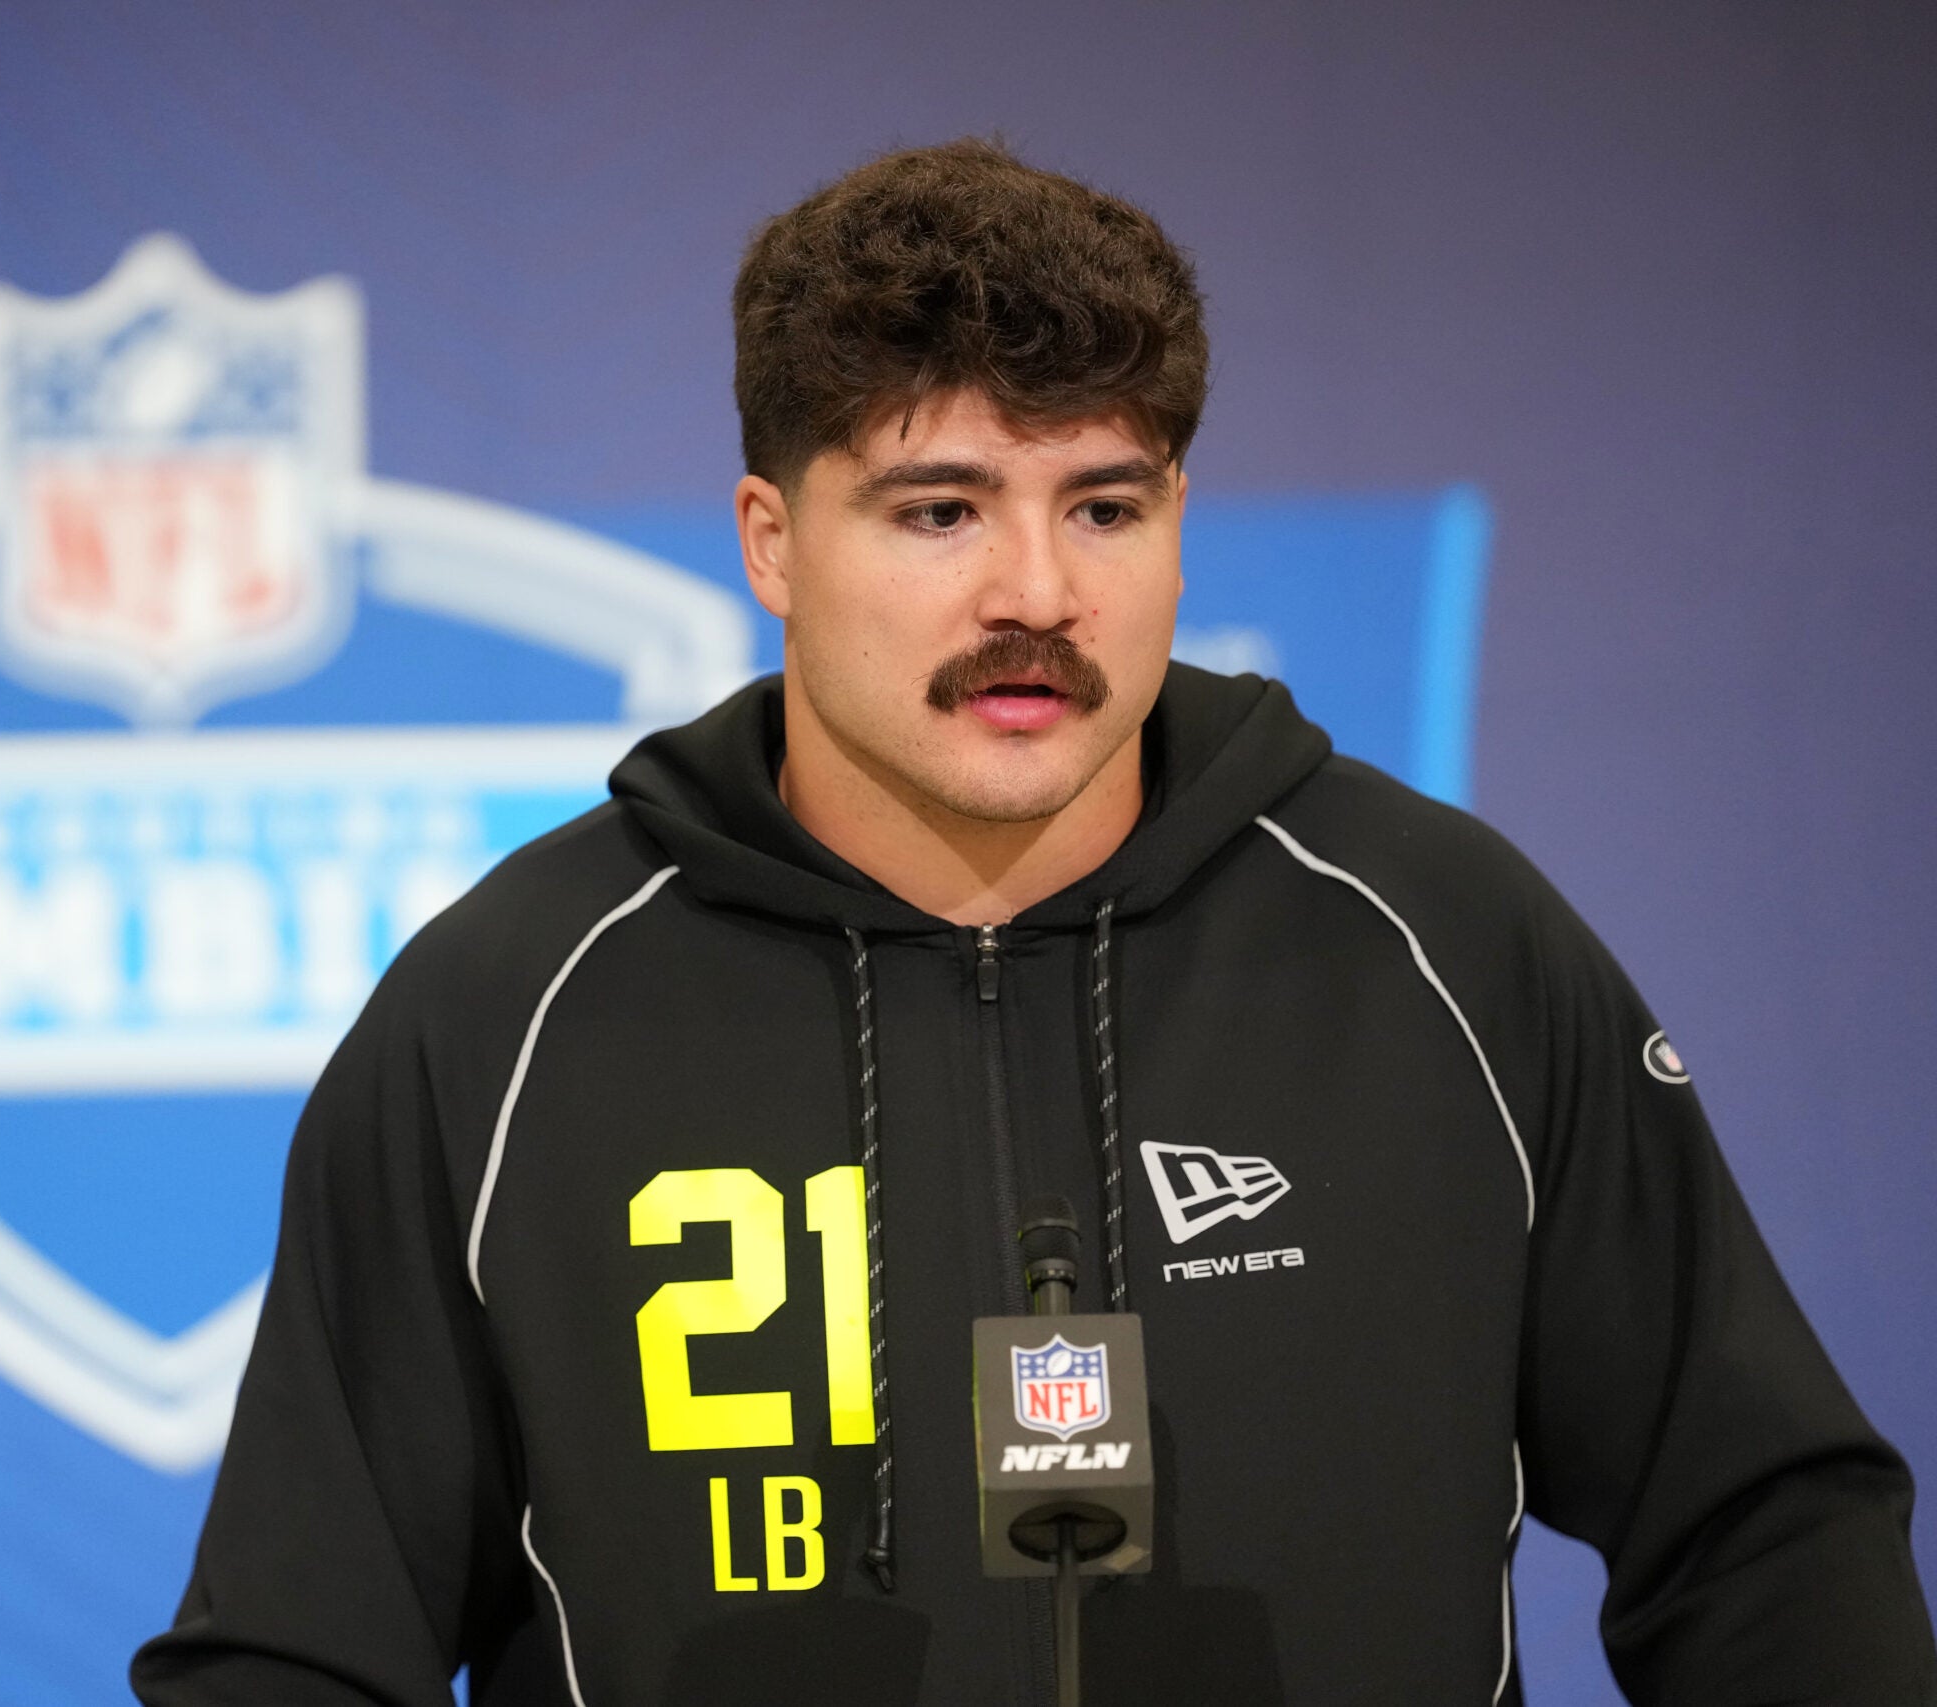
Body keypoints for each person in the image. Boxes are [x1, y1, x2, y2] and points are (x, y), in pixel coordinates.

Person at [134, 139, 1934, 1705]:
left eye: (1106, 505)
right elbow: (293, 1658)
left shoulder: (1443, 944)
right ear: (772, 541)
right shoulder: (504, 1014)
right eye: (939, 509)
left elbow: (1766, 1531)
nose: (1037, 594)